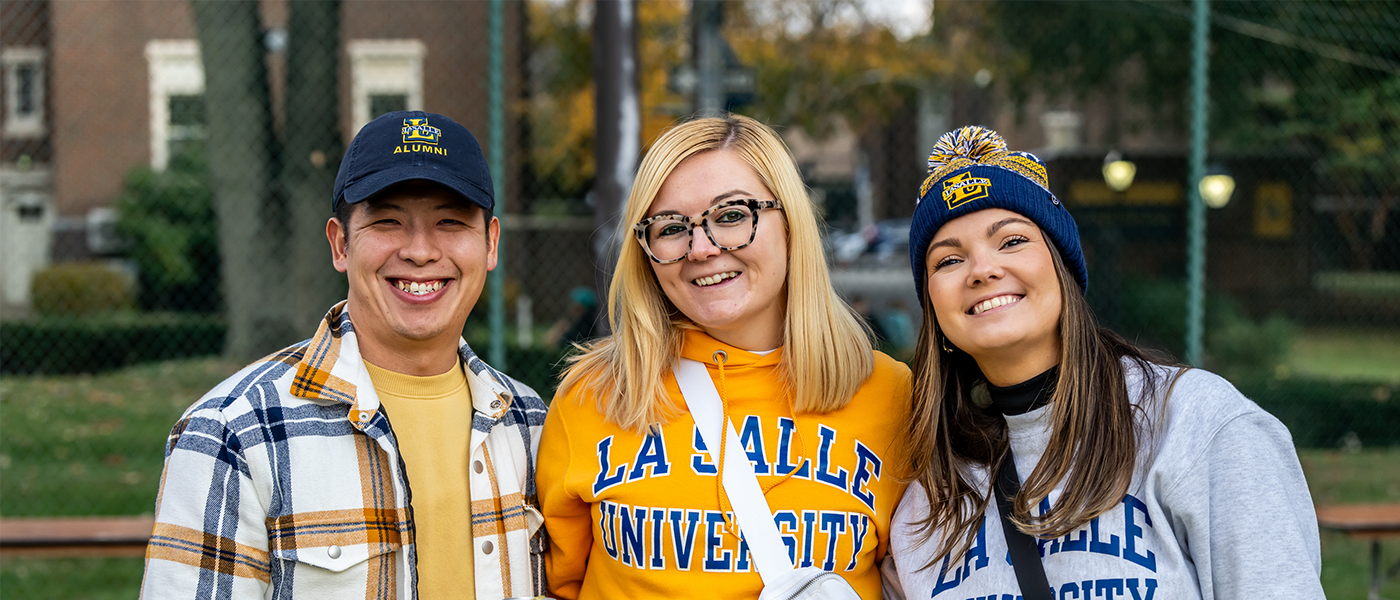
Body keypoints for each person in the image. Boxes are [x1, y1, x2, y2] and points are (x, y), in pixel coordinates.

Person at [880, 126, 1323, 599]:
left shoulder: (1196, 426)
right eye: (948, 260)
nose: (982, 270)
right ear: (932, 304)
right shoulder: (929, 505)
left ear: (1063, 266)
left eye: (1011, 241)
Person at [140, 111, 548, 599]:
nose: (420, 250)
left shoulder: (532, 426)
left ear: (490, 244)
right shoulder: (233, 433)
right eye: (388, 221)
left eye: (450, 221)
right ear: (340, 244)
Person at [538, 114, 912, 599]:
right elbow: (560, 585)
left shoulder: (890, 395)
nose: (701, 248)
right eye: (671, 227)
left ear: (791, 222)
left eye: (732, 215)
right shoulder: (593, 396)